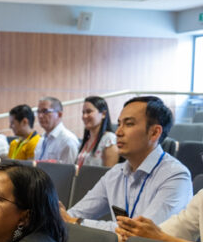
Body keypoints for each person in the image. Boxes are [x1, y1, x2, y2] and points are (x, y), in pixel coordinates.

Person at [63, 95, 191, 232]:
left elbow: (142, 232)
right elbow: (74, 214)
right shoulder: (115, 173)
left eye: (129, 124)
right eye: (119, 124)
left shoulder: (175, 176)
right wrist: (62, 217)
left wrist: (77, 222)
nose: (118, 132)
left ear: (154, 132)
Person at [77, 95, 119, 167]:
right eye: (83, 112)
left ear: (103, 114)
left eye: (89, 112)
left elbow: (109, 172)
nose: (84, 116)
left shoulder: (109, 140)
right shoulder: (87, 140)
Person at [34, 96, 79, 164]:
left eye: (45, 111)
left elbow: (67, 169)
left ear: (59, 114)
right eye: (38, 112)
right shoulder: (42, 139)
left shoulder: (68, 140)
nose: (40, 116)